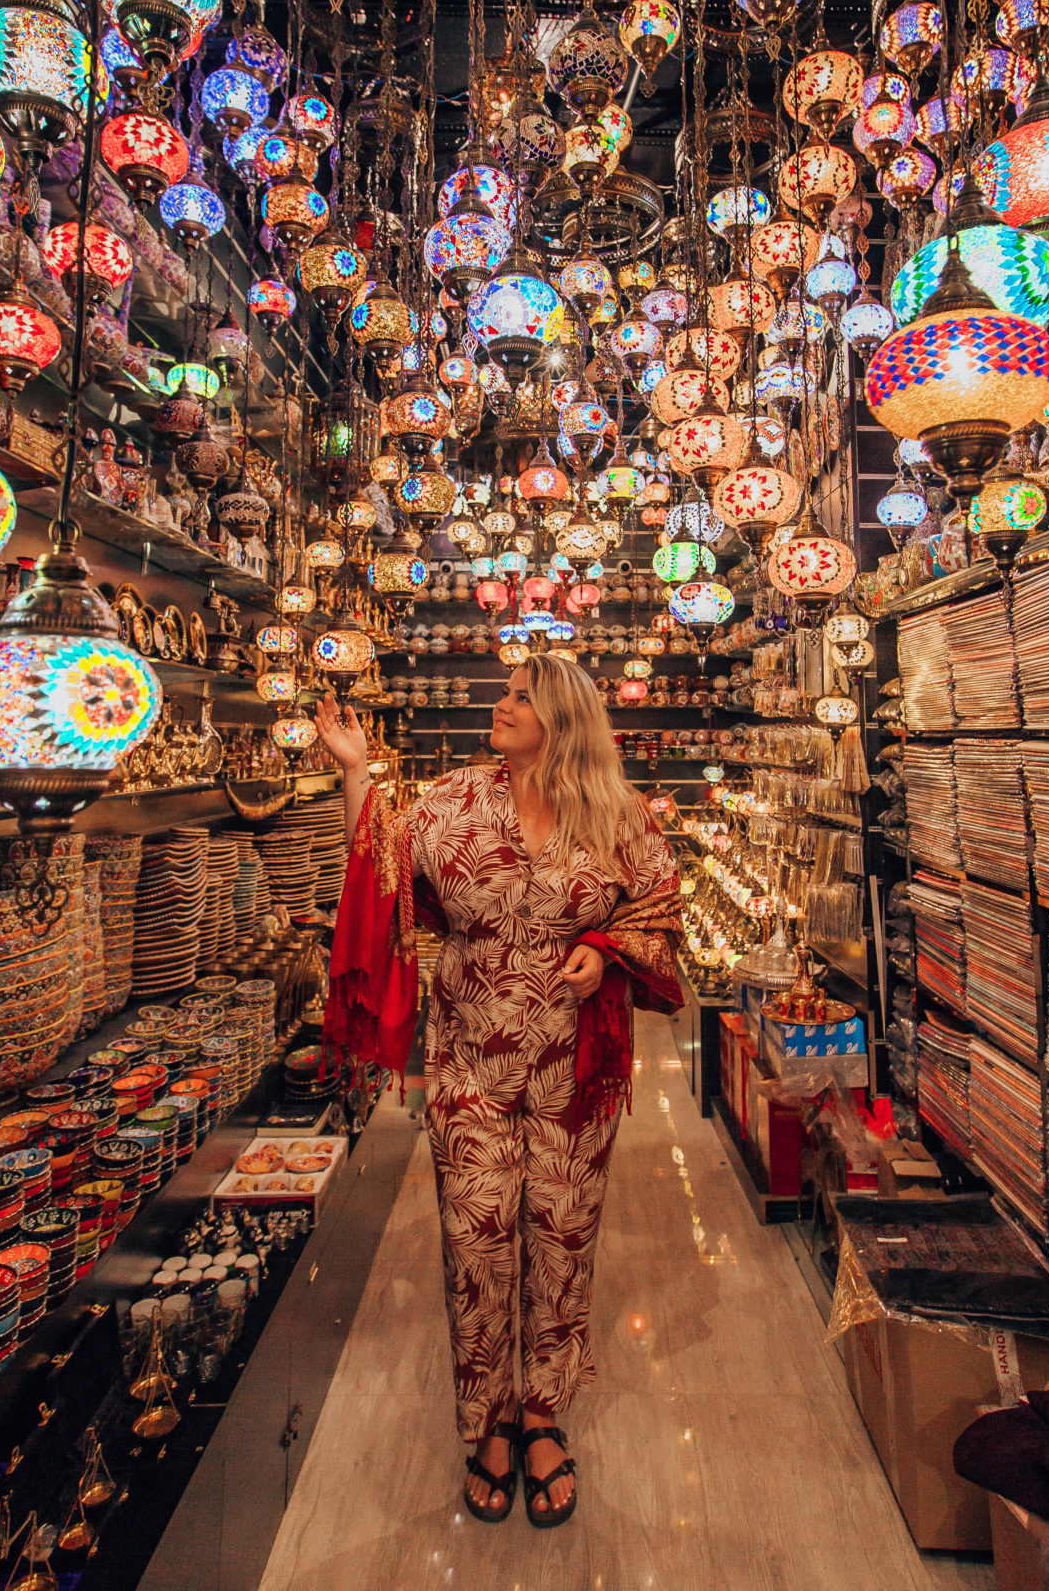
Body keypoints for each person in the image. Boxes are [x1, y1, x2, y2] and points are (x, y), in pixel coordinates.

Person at [316, 654, 683, 1528]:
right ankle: (489, 1416)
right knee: (476, 1233)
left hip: (573, 1070)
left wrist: (608, 949)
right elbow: (380, 865)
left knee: (562, 1235)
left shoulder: (619, 815)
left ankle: (543, 1412)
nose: (502, 704)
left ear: (562, 717)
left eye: (522, 696)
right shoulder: (452, 801)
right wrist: (357, 772)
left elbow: (660, 903)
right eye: (507, 692)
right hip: (470, 1061)